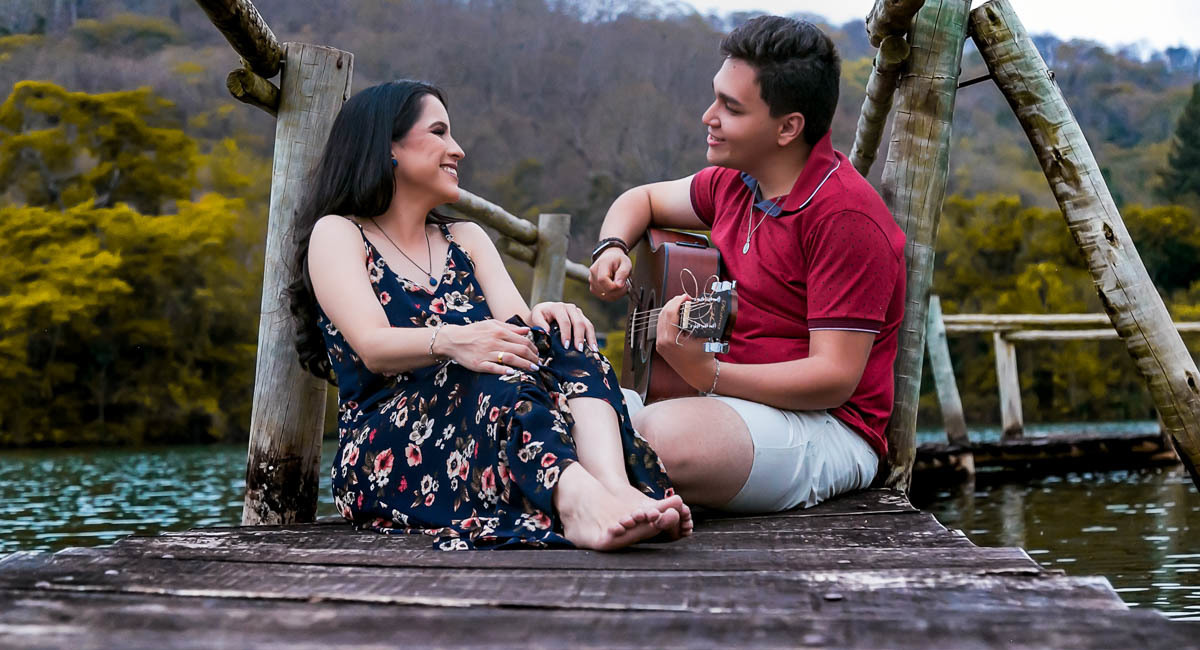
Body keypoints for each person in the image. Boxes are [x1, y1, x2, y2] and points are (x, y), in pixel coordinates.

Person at [289, 80, 692, 551]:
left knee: (563, 343)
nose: (457, 150)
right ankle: (577, 504)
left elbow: (524, 346)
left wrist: (545, 317)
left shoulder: (467, 239)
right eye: (438, 132)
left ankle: (615, 491)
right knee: (485, 366)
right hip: (390, 446)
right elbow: (373, 346)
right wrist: (454, 341)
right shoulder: (339, 233)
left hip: (487, 426)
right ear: (387, 148)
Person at [589, 15, 906, 514]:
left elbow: (834, 377)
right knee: (563, 398)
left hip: (828, 426)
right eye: (716, 96)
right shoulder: (734, 182)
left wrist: (709, 373)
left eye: (730, 108)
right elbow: (642, 199)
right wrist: (610, 246)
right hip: (725, 404)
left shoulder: (845, 217)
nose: (707, 116)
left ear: (787, 127)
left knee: (657, 439)